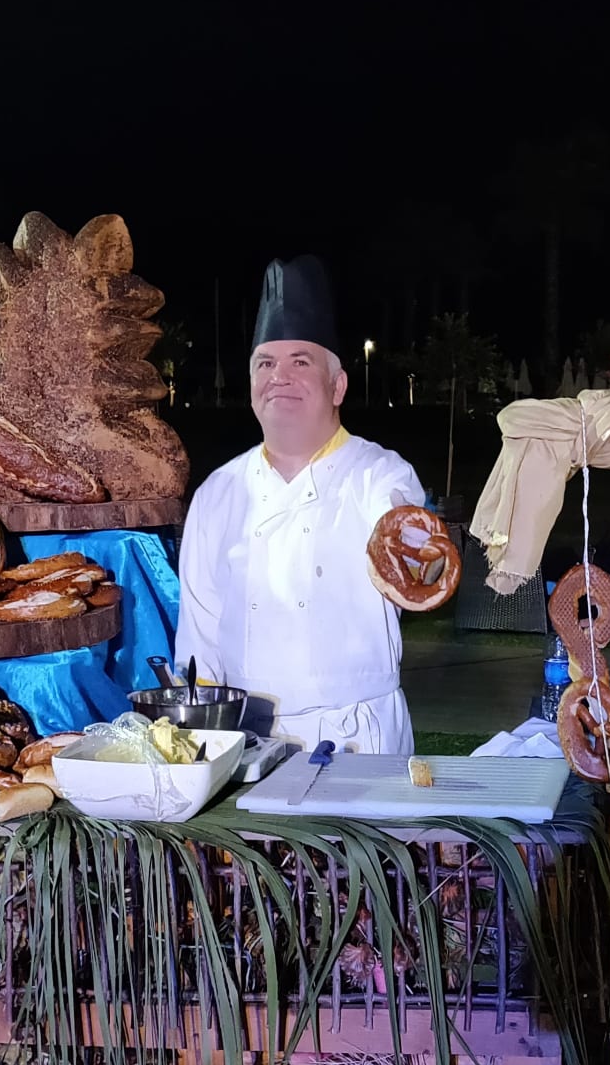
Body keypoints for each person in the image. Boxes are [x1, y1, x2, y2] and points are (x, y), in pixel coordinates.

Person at [172, 256, 428, 754]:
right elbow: (199, 638)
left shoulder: (378, 475)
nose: (279, 377)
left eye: (300, 362)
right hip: (245, 741)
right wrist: (199, 738)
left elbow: (407, 538)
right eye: (265, 363)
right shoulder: (217, 492)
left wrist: (418, 552)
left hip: (357, 738)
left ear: (338, 386)